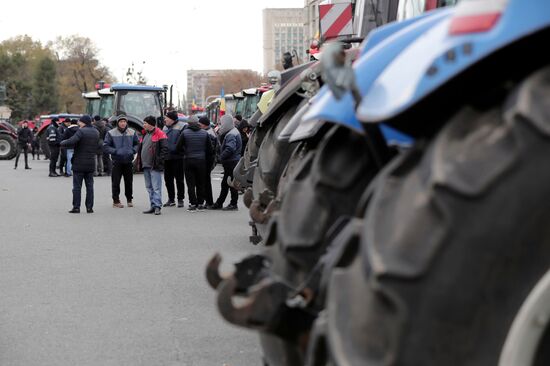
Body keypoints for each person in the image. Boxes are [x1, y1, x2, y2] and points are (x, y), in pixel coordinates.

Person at [60, 115, 100, 214]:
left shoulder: (81, 131)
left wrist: (62, 142)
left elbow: (72, 141)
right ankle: (89, 208)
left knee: (77, 187)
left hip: (79, 163)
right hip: (91, 163)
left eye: (80, 122)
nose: (79, 123)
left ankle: (76, 207)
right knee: (90, 187)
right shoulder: (96, 132)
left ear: (84, 122)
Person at [176, 115, 211, 212]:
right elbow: (210, 149)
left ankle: (193, 204)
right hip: (201, 161)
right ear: (198, 123)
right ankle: (200, 203)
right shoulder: (205, 133)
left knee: (190, 184)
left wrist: (185, 152)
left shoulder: (185, 133)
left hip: (188, 160)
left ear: (188, 124)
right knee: (201, 183)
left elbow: (178, 147)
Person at [103, 115, 139, 208]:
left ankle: (129, 199)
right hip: (116, 161)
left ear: (126, 123)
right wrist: (115, 151)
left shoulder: (132, 132)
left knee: (129, 181)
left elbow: (137, 144)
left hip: (128, 160)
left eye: (124, 122)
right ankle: (116, 201)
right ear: (118, 123)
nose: (123, 123)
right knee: (116, 182)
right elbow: (106, 146)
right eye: (121, 121)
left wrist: (133, 150)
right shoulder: (111, 133)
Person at [137, 116, 168, 215]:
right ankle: (153, 206)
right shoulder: (145, 134)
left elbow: (164, 149)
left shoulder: (160, 133)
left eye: (145, 123)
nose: (143, 125)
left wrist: (159, 162)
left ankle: (157, 206)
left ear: (150, 124)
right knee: (149, 187)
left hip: (154, 165)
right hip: (146, 165)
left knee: (156, 187)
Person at [211, 114, 242, 211]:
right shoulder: (233, 131)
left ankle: (231, 204)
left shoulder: (231, 134)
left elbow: (230, 148)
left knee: (229, 183)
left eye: (222, 123)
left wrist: (221, 157)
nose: (221, 125)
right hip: (233, 161)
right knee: (228, 183)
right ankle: (221, 203)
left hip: (231, 162)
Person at [162, 110, 186, 208]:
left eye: (166, 118)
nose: (165, 119)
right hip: (167, 157)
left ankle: (180, 199)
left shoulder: (182, 126)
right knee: (168, 179)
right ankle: (171, 199)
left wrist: (177, 150)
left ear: (171, 119)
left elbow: (184, 142)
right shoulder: (164, 127)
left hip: (178, 157)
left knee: (179, 179)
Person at [199, 116, 218, 208]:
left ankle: (209, 201)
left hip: (208, 160)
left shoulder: (209, 133)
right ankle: (207, 200)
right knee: (205, 180)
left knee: (206, 181)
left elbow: (211, 149)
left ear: (204, 125)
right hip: (208, 159)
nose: (199, 125)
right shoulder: (209, 131)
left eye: (200, 124)